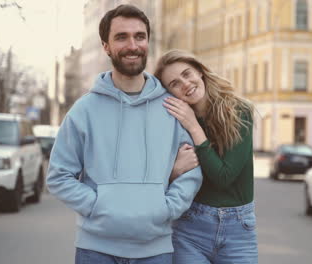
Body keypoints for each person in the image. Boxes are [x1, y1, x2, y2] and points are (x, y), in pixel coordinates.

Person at [46, 6, 202, 264]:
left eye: (139, 36)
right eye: (122, 37)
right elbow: (58, 176)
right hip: (96, 250)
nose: (133, 45)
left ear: (148, 42)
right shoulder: (84, 110)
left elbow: (192, 169)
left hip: (155, 251)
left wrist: (166, 208)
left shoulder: (171, 107)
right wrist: (97, 206)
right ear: (106, 46)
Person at [154, 50, 259, 263]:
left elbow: (223, 177)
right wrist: (174, 172)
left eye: (187, 73)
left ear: (200, 72)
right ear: (169, 93)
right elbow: (154, 177)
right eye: (174, 83)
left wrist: (193, 126)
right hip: (190, 228)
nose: (185, 83)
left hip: (238, 230)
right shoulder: (172, 123)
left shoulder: (238, 111)